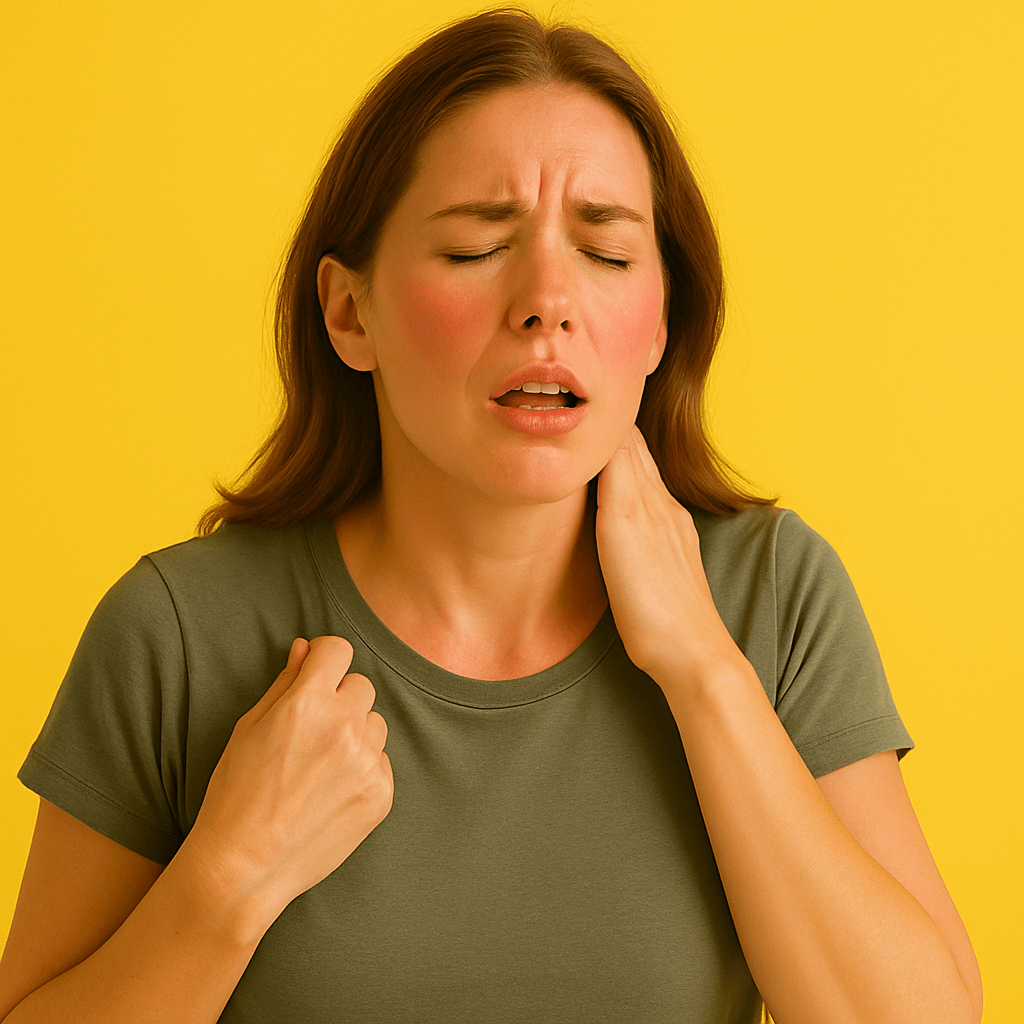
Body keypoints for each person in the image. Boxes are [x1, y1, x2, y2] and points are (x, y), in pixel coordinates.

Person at [0, 7, 982, 1024]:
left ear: (661, 323)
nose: (547, 299)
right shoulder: (178, 634)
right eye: (476, 247)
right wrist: (227, 879)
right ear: (349, 313)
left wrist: (704, 670)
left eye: (605, 253)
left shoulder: (770, 598)